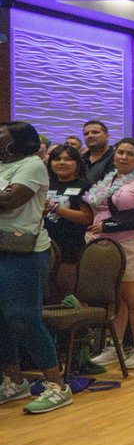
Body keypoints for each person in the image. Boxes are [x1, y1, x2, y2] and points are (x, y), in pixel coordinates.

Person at [0, 122, 73, 414]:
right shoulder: (3, 166)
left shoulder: (32, 165)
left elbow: (8, 200)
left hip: (24, 252)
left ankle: (57, 386)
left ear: (17, 142)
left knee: (23, 317)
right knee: (2, 319)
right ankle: (13, 381)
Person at [85, 137, 134, 371]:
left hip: (131, 244)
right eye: (120, 153)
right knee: (115, 299)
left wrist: (109, 226)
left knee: (133, 298)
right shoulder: (108, 180)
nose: (123, 157)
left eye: (129, 154)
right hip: (104, 247)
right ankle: (114, 346)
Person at [43, 143, 94, 300]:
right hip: (45, 243)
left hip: (72, 245)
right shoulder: (45, 184)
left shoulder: (85, 185)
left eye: (68, 159)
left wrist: (56, 208)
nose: (62, 163)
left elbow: (87, 218)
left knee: (66, 295)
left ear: (77, 163)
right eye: (57, 159)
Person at [81, 119, 115, 185]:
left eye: (95, 132)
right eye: (86, 134)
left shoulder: (116, 157)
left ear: (107, 136)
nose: (89, 136)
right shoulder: (80, 160)